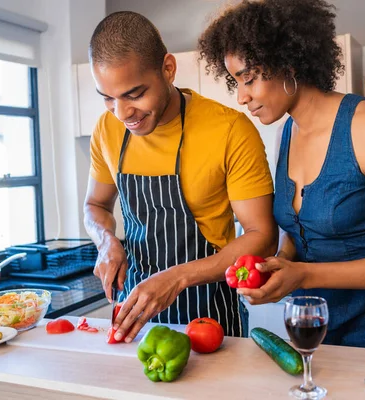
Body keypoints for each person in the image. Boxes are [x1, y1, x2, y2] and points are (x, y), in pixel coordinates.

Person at [198, 0, 365, 352]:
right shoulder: (287, 133)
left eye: (248, 79)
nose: (241, 96)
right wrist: (278, 266)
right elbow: (299, 235)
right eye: (236, 81)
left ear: (289, 62)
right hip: (316, 335)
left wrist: (307, 275)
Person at [84, 11, 277, 342]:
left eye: (134, 94)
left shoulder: (229, 130)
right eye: (107, 98)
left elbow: (263, 236)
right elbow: (95, 204)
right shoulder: (107, 129)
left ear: (168, 69)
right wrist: (106, 242)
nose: (122, 113)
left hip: (211, 318)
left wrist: (176, 278)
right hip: (136, 317)